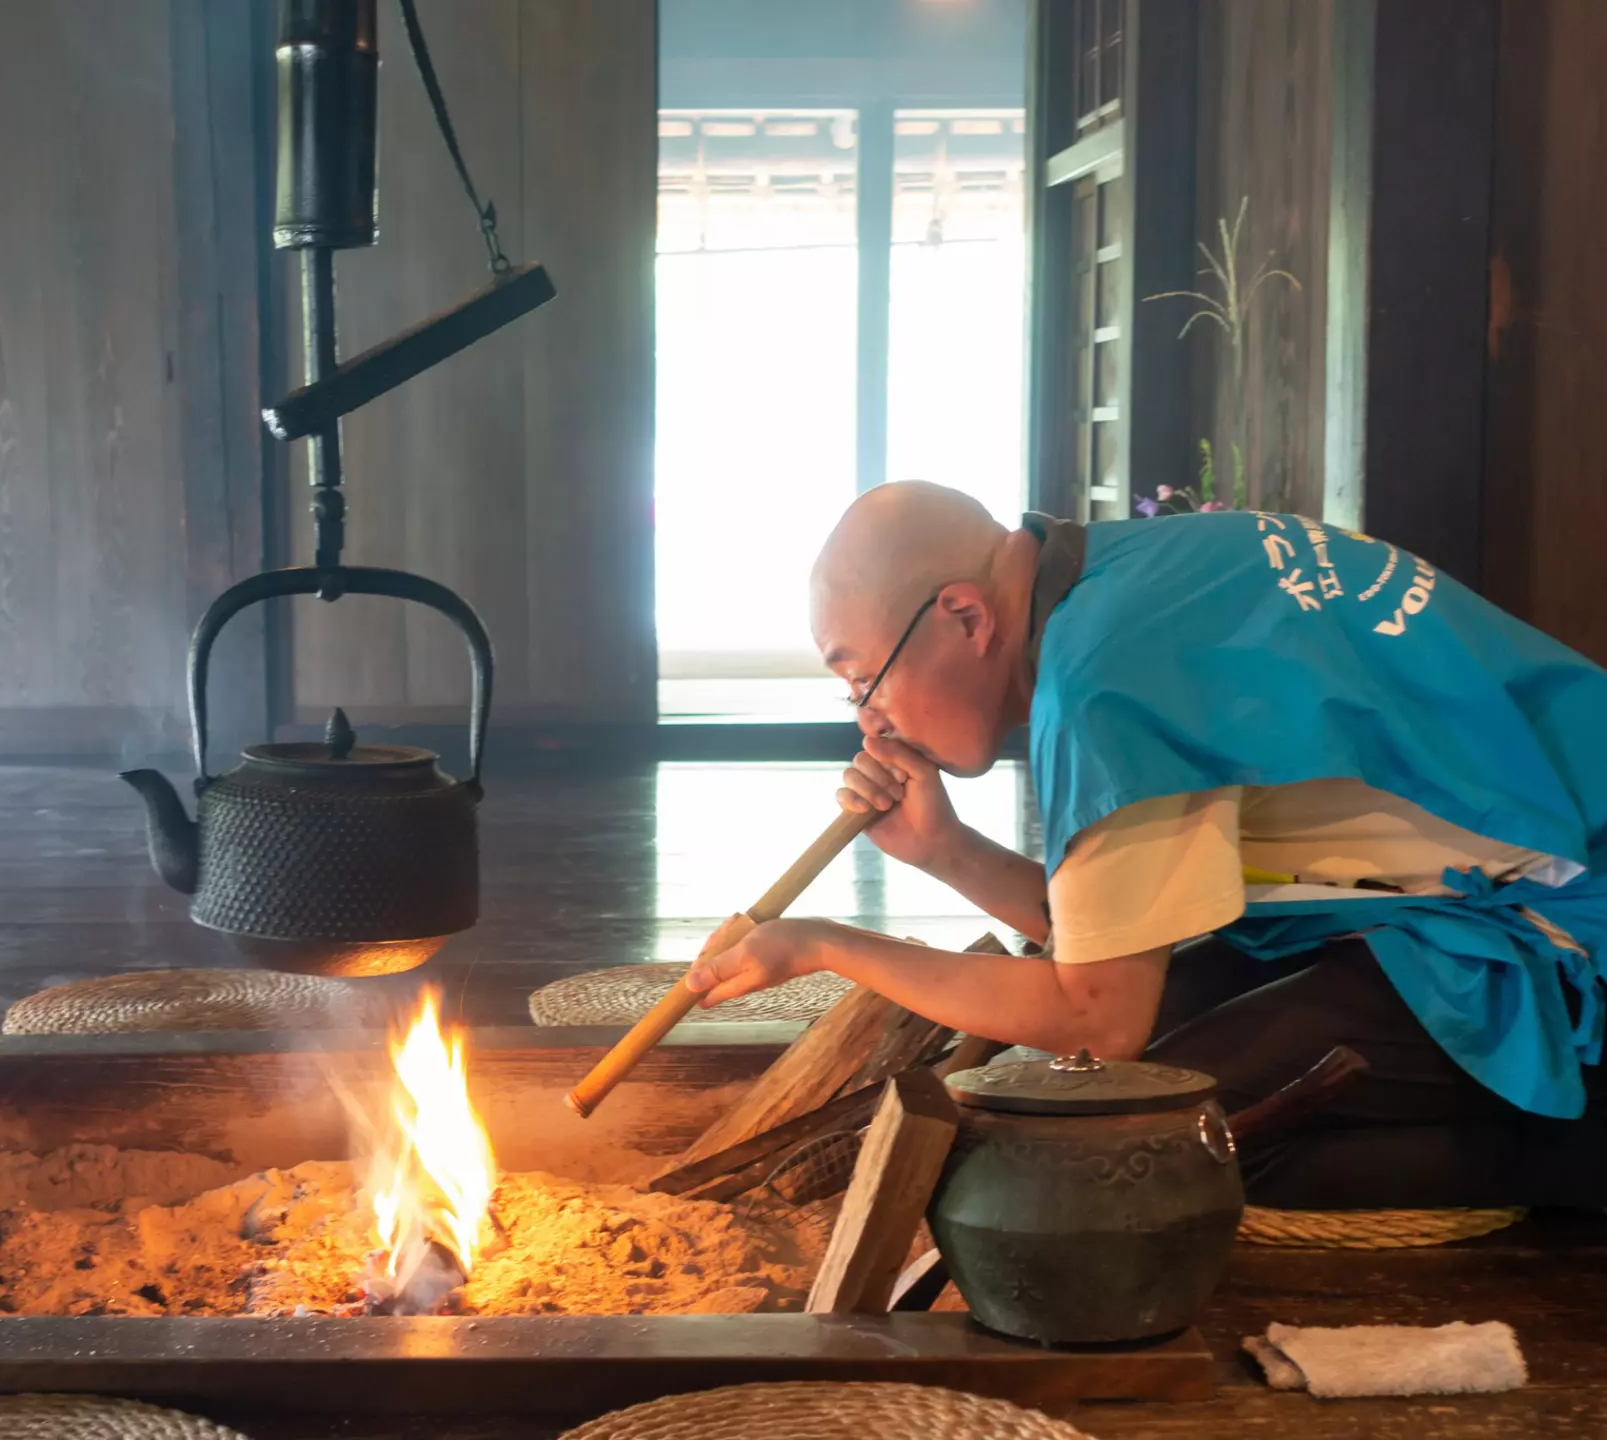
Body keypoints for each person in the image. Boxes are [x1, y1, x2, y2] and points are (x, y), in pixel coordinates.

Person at [685, 482, 1607, 1210]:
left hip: (1554, 928)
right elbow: (1114, 952)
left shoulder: (1098, 688)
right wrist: (945, 851)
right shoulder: (1125, 579)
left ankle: (1564, 1149)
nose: (869, 716)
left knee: (1115, 1152)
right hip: (1459, 896)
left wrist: (824, 944)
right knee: (1121, 1061)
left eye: (862, 680)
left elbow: (1094, 1014)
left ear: (965, 617)